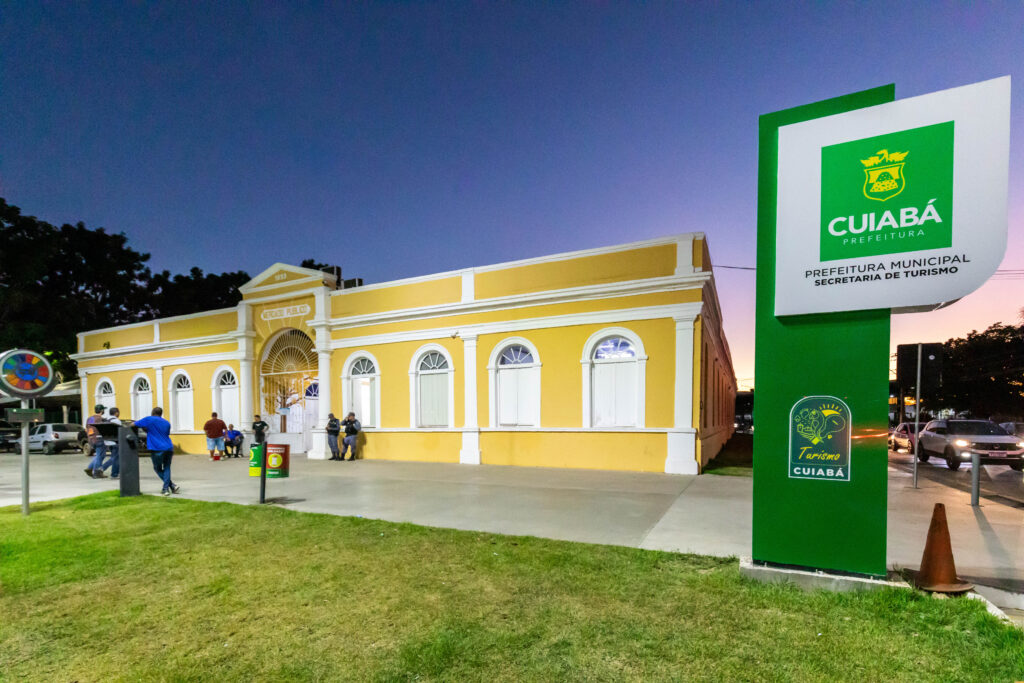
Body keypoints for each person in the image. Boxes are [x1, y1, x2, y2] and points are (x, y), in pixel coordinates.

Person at [134, 407, 178, 496]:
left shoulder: (149, 419)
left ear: (152, 412)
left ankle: (167, 487)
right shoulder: (166, 422)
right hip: (169, 447)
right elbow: (163, 433)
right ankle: (170, 487)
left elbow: (134, 424)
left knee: (157, 468)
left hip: (157, 448)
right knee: (167, 467)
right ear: (161, 413)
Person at [84, 404, 109, 479]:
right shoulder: (101, 419)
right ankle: (96, 473)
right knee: (100, 456)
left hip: (91, 439)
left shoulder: (89, 418)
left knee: (98, 455)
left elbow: (86, 429)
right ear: (101, 410)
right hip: (99, 439)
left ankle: (90, 468)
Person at [100, 406, 122, 479]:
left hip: (108, 442)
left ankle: (116, 473)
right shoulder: (117, 421)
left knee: (115, 458)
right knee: (115, 458)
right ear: (116, 413)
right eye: (118, 412)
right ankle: (104, 469)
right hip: (115, 442)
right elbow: (121, 431)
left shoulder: (106, 420)